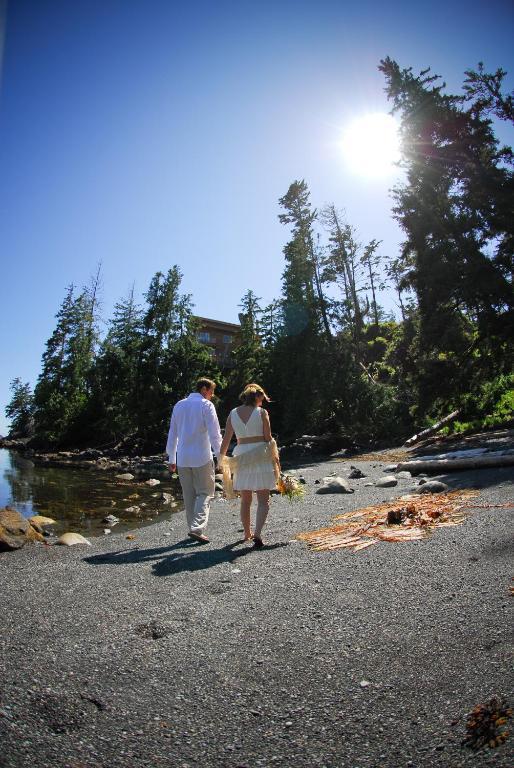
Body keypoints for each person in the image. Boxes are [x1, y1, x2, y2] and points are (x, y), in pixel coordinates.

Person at [218, 383, 280, 548]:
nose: (262, 403)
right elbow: (268, 437)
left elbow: (226, 439)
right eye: (262, 399)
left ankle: (247, 533)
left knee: (246, 500)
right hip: (260, 454)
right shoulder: (262, 413)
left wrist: (220, 458)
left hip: (241, 455)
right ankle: (258, 533)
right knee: (263, 500)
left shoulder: (232, 413)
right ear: (257, 397)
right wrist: (276, 457)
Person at [166, 377, 222, 544]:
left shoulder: (179, 405)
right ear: (204, 389)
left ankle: (193, 528)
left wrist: (171, 457)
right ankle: (197, 528)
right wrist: (220, 456)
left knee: (188, 495)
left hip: (183, 457)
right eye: (211, 391)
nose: (212, 395)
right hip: (201, 457)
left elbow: (173, 433)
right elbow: (214, 433)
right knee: (205, 492)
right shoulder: (206, 405)